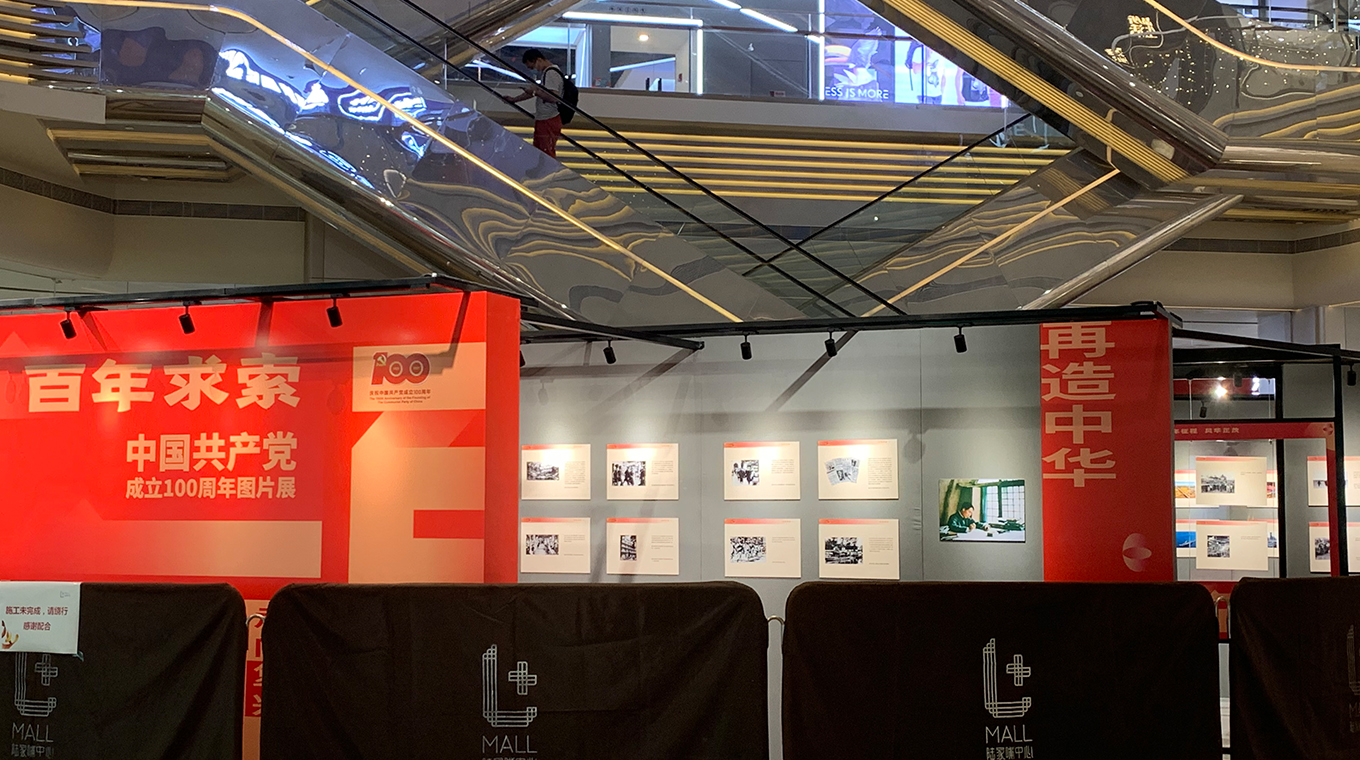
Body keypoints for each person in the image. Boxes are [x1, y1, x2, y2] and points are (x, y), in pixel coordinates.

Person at [506, 49, 564, 157]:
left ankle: (545, 167)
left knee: (545, 150)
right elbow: (537, 91)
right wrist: (515, 99)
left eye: (532, 67)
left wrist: (534, 93)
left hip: (548, 119)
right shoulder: (547, 73)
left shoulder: (551, 73)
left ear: (538, 60)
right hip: (545, 119)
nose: (534, 70)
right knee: (541, 149)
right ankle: (542, 166)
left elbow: (553, 97)